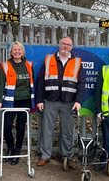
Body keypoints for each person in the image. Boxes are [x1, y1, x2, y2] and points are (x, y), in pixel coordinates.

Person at [36, 36, 85, 170]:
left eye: (68, 44)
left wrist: (78, 101)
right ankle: (45, 156)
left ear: (72, 47)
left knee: (68, 131)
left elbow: (81, 84)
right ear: (59, 45)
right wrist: (39, 100)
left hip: (69, 102)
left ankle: (66, 156)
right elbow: (40, 81)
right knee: (47, 130)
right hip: (49, 101)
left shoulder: (77, 62)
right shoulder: (48, 59)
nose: (65, 46)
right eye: (63, 43)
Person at [0, 41, 35, 165]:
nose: (17, 52)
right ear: (11, 52)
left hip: (25, 100)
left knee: (20, 127)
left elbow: (32, 83)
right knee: (6, 127)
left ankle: (17, 151)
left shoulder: (28, 65)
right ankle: (10, 149)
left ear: (23, 52)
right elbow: (0, 84)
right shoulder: (5, 65)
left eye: (19, 50)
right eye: (14, 50)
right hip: (10, 101)